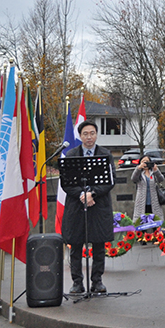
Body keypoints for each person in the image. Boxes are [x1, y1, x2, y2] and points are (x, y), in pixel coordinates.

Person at [61, 121, 115, 295]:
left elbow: (110, 180)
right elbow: (66, 183)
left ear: (96, 134)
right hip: (77, 205)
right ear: (80, 136)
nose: (89, 137)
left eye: (92, 133)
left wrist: (92, 194)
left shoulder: (105, 154)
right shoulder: (71, 155)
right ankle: (77, 282)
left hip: (98, 205)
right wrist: (82, 195)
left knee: (99, 244)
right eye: (85, 134)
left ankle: (97, 281)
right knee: (76, 245)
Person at [132, 155, 165, 223]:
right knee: (141, 223)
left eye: (147, 161)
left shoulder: (153, 172)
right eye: (143, 161)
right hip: (142, 202)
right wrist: (138, 168)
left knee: (155, 222)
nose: (145, 163)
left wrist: (156, 170)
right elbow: (133, 179)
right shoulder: (139, 173)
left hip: (154, 201)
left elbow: (161, 179)